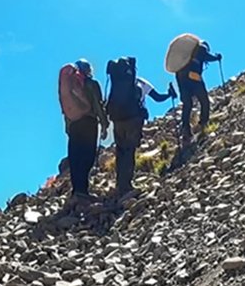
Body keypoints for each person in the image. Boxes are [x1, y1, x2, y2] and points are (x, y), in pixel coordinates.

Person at [108, 60, 174, 197]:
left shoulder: (117, 83)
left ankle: (120, 183)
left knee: (120, 151)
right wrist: (169, 94)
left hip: (118, 120)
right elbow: (157, 98)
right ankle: (127, 185)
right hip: (133, 120)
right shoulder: (141, 83)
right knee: (130, 150)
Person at [58, 59, 108, 202]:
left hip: (73, 125)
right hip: (89, 122)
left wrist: (68, 128)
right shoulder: (91, 84)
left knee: (75, 157)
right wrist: (104, 124)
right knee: (88, 156)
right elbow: (98, 105)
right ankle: (83, 191)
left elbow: (65, 110)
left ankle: (76, 191)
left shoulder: (68, 85)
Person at [173, 41, 221, 162]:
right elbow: (208, 57)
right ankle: (203, 123)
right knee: (204, 100)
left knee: (187, 104)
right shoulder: (201, 48)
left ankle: (186, 130)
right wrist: (217, 57)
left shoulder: (185, 55)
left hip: (181, 77)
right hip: (194, 77)